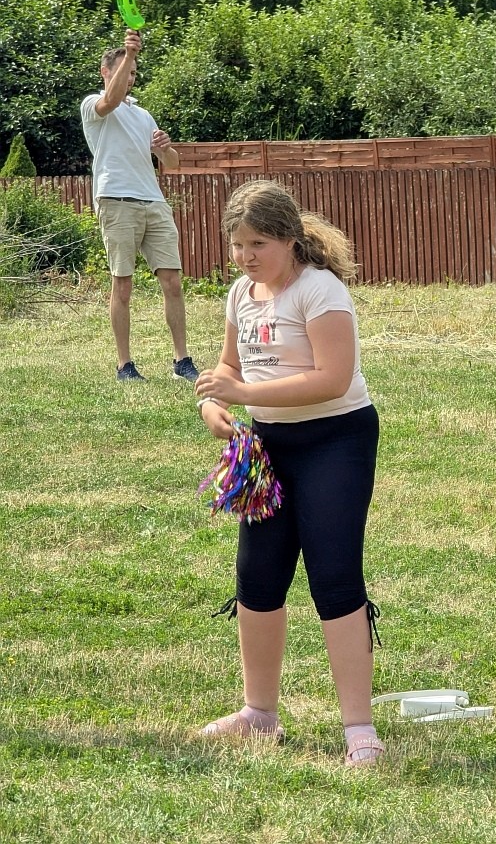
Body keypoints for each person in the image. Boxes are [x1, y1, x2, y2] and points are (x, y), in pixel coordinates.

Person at [193, 179, 383, 767]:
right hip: (266, 445)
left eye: (259, 243)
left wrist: (244, 389)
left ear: (291, 240)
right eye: (238, 244)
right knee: (258, 576)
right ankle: (259, 713)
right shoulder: (240, 295)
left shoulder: (320, 290)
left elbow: (334, 376)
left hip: (335, 440)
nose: (247, 256)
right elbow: (228, 364)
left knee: (334, 575)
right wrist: (214, 404)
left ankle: (359, 729)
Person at [80, 28, 199, 383]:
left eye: (133, 72)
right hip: (116, 199)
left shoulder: (143, 115)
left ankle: (182, 361)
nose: (130, 77)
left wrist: (164, 148)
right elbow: (110, 100)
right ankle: (124, 366)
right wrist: (130, 53)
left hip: (153, 201)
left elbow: (174, 163)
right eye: (124, 70)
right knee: (123, 284)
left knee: (172, 281)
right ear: (107, 71)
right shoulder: (93, 105)